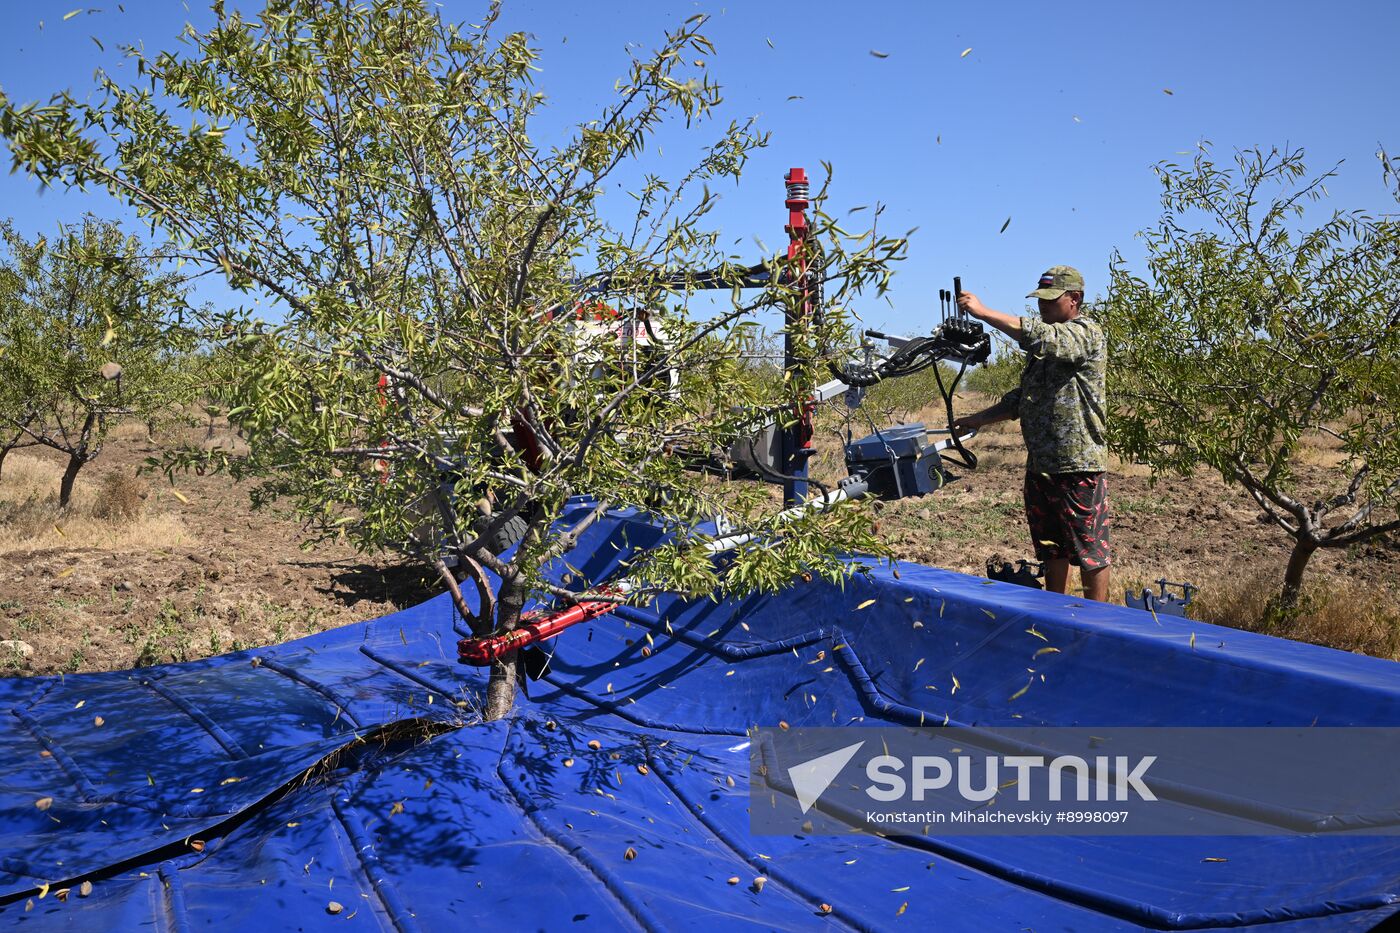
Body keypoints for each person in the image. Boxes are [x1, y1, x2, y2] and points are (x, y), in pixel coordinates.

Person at [951, 266, 1112, 602]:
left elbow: (1040, 336)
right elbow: (1020, 400)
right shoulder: (1043, 356)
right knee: (1052, 549)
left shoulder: (1084, 334)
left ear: (1074, 299)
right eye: (1040, 300)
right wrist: (977, 419)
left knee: (1089, 550)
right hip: (1041, 466)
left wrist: (982, 312)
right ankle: (1055, 612)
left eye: (1050, 301)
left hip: (1076, 466)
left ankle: (1097, 622)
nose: (1043, 307)